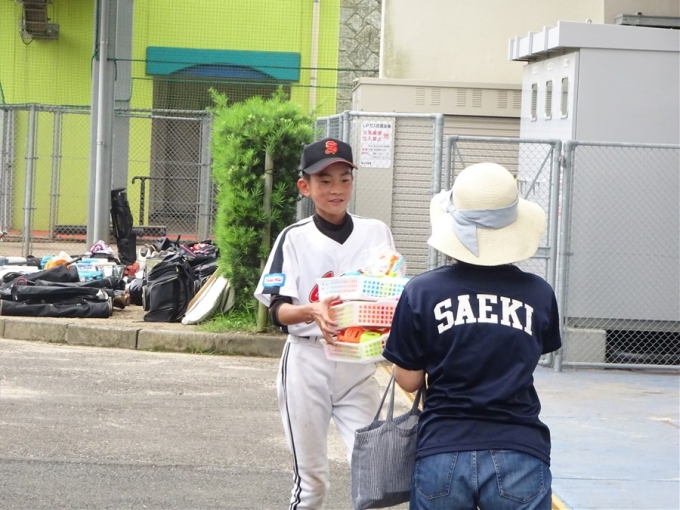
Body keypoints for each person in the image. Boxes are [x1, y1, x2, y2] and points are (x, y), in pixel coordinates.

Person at [383, 162, 562, 510]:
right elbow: (532, 353)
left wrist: (391, 355)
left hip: (443, 448)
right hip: (520, 448)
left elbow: (409, 380)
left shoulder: (422, 291)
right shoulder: (539, 293)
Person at [254, 137, 397, 510]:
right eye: (325, 180)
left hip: (358, 364)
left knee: (372, 475)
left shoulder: (376, 232)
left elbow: (390, 295)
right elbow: (277, 310)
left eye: (344, 179)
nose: (336, 189)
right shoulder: (294, 238)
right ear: (305, 186)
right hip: (308, 362)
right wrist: (311, 311)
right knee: (312, 481)